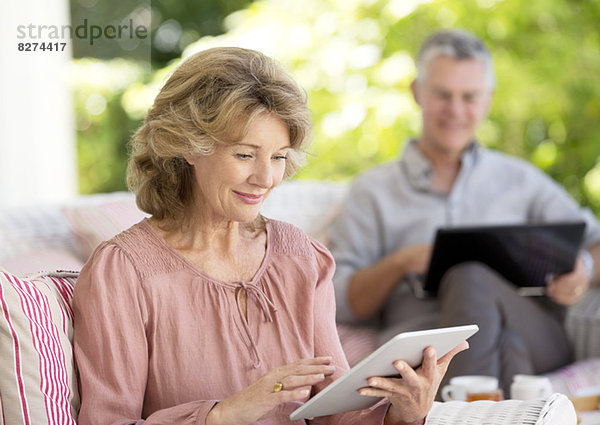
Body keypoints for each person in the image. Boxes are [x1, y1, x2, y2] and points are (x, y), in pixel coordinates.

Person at [72, 47, 468, 425]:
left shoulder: (300, 256)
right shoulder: (123, 272)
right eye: (245, 155)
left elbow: (337, 411)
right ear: (188, 147)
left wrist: (404, 411)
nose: (266, 179)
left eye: (278, 157)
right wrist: (223, 414)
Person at [328, 29, 600, 393]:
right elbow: (340, 302)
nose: (456, 110)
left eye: (469, 97)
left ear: (487, 100)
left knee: (471, 275)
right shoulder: (372, 191)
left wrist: (585, 267)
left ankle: (457, 412)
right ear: (417, 93)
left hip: (536, 334)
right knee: (506, 349)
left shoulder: (521, 180)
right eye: (443, 94)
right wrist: (402, 261)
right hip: (422, 350)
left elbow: (595, 242)